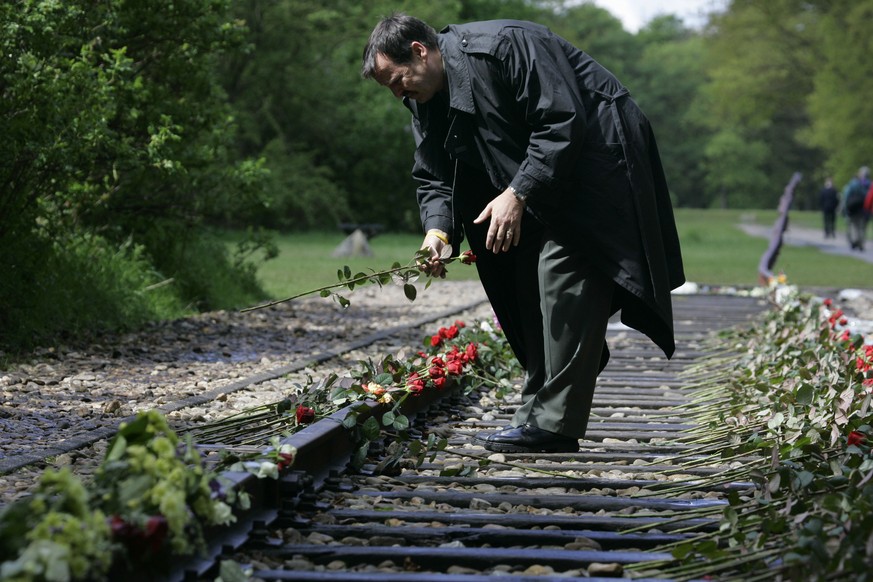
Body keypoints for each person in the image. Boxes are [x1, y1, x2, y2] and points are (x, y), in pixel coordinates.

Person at [361, 14, 685, 453]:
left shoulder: (503, 47)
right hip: (542, 178)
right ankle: (539, 411)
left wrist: (518, 191)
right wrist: (437, 232)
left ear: (420, 51)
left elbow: (562, 121)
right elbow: (434, 173)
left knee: (562, 273)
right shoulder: (424, 95)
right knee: (523, 284)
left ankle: (554, 427)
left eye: (398, 80)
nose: (398, 93)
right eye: (390, 88)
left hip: (596, 157)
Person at [843, 166, 871, 251]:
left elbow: (847, 196)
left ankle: (856, 240)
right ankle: (861, 242)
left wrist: (846, 206)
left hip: (853, 207)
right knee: (862, 226)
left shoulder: (853, 184)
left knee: (854, 225)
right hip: (864, 208)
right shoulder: (869, 184)